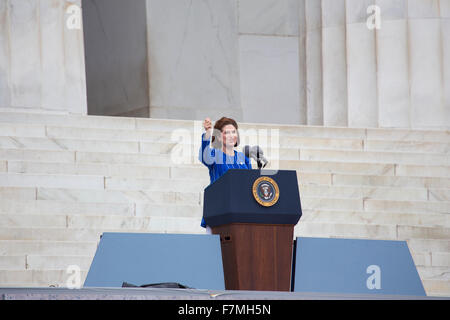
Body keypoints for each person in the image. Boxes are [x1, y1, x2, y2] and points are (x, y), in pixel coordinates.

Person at [198, 117, 252, 231]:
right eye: (227, 132)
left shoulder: (244, 158)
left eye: (234, 132)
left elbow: (250, 183)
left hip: (240, 214)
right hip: (218, 213)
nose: (232, 135)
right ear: (219, 136)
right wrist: (208, 132)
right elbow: (204, 156)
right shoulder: (215, 154)